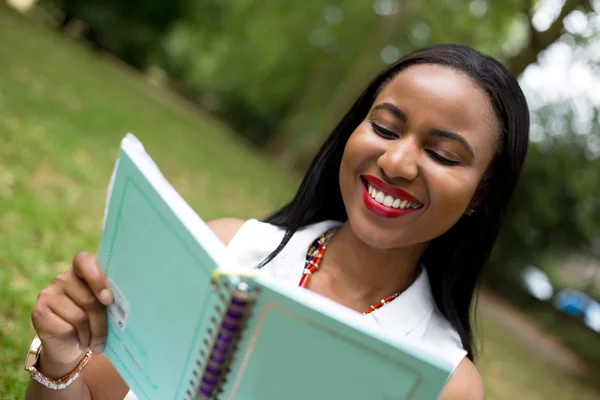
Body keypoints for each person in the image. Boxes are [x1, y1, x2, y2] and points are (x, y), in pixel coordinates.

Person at [25, 43, 530, 400]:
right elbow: (91, 393)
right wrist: (59, 360)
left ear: (480, 195)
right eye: (384, 127)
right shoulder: (223, 251)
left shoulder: (446, 384)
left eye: (442, 154)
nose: (397, 164)